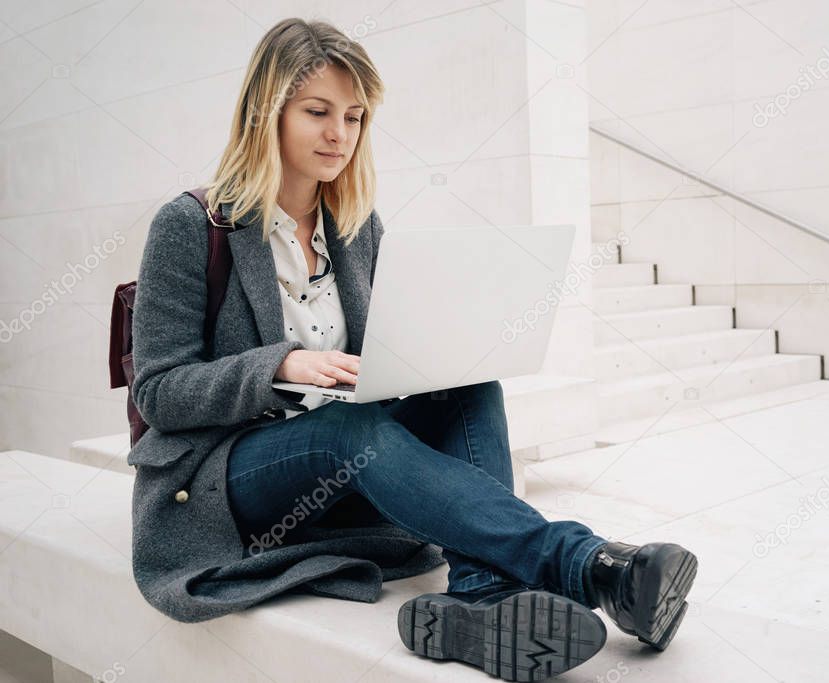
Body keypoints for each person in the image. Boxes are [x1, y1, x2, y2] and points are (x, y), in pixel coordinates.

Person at [129, 17, 697, 681]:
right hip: (227, 481)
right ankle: (593, 566)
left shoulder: (354, 224)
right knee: (343, 428)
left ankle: (481, 595)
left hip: (339, 466)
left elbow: (376, 355)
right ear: (266, 111)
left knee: (468, 385)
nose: (338, 134)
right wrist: (277, 367)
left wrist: (435, 353)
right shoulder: (192, 224)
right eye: (317, 112)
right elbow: (158, 390)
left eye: (354, 116)